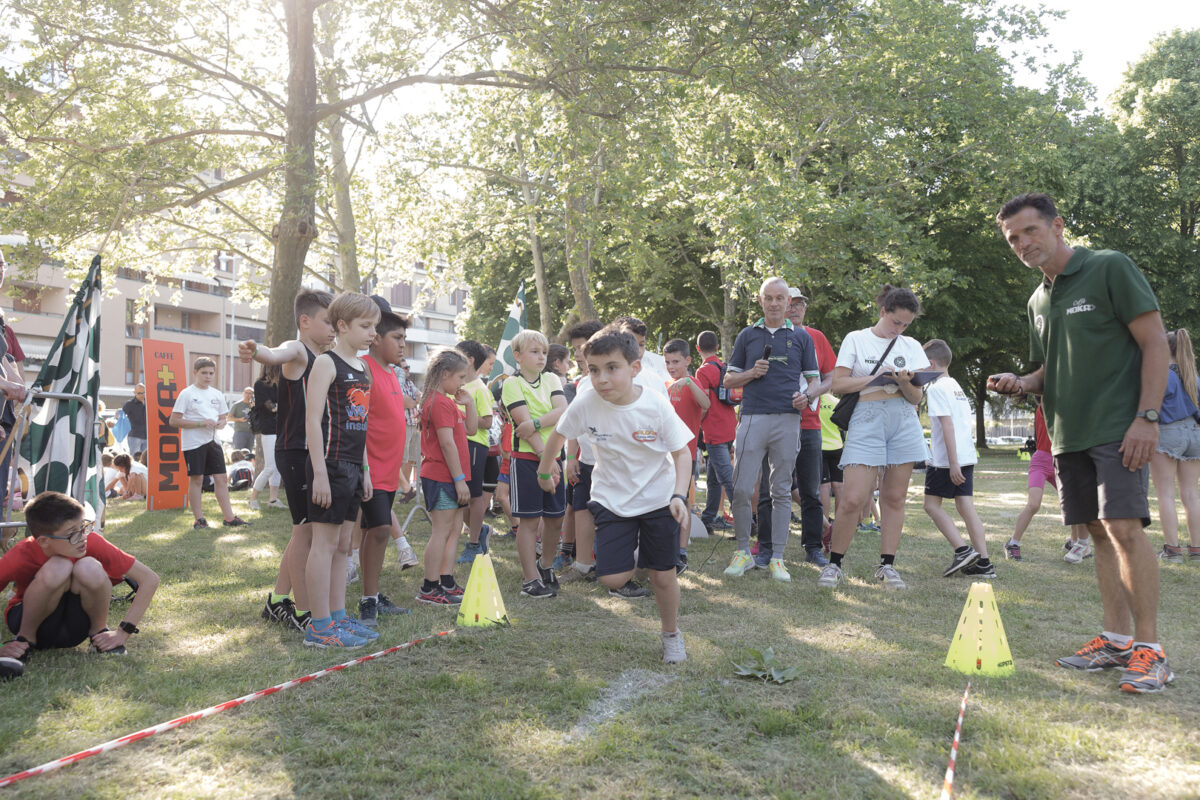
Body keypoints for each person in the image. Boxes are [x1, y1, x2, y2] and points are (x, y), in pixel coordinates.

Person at [989, 191, 1172, 694]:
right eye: (1013, 239)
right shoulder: (1038, 301)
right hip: (1068, 434)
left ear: (1057, 226)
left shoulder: (1110, 267)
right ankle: (1115, 640)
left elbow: (1156, 342)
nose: (1023, 243)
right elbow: (1050, 370)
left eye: (1030, 231)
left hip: (1119, 426)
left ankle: (1151, 651)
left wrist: (1147, 418)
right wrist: (1023, 382)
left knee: (1124, 529)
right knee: (1095, 532)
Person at [538, 327, 692, 663]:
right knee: (611, 578)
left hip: (659, 499)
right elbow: (559, 435)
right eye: (593, 370)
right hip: (612, 501)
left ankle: (671, 635)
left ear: (634, 368)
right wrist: (544, 469)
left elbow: (683, 454)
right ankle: (638, 552)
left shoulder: (655, 405)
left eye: (612, 368)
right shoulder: (587, 401)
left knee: (663, 577)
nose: (601, 378)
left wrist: (679, 496)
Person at [817, 284, 929, 590]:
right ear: (883, 312)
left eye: (906, 325)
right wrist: (876, 379)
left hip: (903, 423)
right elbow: (838, 385)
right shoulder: (857, 339)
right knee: (852, 498)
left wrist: (904, 383)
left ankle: (887, 566)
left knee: (894, 497)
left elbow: (916, 397)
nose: (900, 329)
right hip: (867, 420)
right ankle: (834, 565)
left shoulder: (912, 346)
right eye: (896, 322)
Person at [240, 289, 334, 633]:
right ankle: (304, 610)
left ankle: (278, 600)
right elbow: (275, 352)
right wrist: (256, 351)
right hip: (295, 451)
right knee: (305, 530)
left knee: (303, 531)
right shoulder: (299, 350)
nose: (333, 328)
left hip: (312, 450)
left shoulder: (326, 356)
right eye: (327, 321)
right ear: (305, 321)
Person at [722, 277, 820, 583]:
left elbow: (815, 381)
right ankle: (742, 552)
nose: (775, 303)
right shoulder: (747, 335)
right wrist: (752, 373)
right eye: (769, 298)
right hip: (751, 418)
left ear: (789, 303)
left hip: (788, 419)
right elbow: (727, 381)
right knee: (741, 487)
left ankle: (777, 557)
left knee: (780, 490)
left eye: (781, 298)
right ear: (761, 301)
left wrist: (808, 396)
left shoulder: (802, 337)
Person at [302, 292, 380, 648]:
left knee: (344, 544)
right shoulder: (325, 363)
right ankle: (318, 627)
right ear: (342, 326)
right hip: (329, 465)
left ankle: (337, 617)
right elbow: (313, 421)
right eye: (365, 326)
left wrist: (364, 470)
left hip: (352, 465)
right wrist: (319, 472)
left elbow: (361, 424)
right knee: (325, 543)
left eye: (374, 326)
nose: (372, 334)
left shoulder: (364, 368)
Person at [0, 491, 160, 666]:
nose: (83, 537)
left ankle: (99, 634)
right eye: (72, 534)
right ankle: (24, 641)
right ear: (44, 541)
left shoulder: (89, 540)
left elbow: (149, 579)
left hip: (75, 628)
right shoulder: (22, 552)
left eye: (83, 527)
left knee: (89, 566)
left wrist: (123, 632)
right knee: (59, 567)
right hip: (31, 624)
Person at [754, 288, 835, 568]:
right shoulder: (762, 336)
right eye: (792, 304)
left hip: (809, 425)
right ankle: (765, 548)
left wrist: (811, 395)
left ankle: (813, 546)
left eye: (801, 304)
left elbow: (830, 377)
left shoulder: (817, 338)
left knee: (811, 490)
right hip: (773, 422)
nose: (796, 309)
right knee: (768, 488)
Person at [355, 295, 415, 626]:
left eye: (405, 339)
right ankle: (367, 601)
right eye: (397, 338)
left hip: (389, 471)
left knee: (374, 532)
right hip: (370, 469)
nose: (403, 345)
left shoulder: (392, 373)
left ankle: (372, 595)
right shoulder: (365, 369)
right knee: (378, 529)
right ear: (376, 338)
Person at [501, 329, 568, 599]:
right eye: (534, 352)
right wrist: (546, 459)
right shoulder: (511, 384)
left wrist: (538, 422)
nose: (541, 357)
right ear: (517, 356)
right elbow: (522, 428)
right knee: (529, 520)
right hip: (528, 460)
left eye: (543, 352)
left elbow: (563, 412)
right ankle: (530, 579)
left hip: (554, 457)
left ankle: (546, 566)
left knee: (555, 518)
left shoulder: (552, 378)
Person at [921, 339, 995, 579]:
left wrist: (951, 463)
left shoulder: (935, 388)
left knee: (931, 506)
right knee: (965, 507)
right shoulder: (956, 386)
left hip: (946, 460)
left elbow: (947, 426)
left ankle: (962, 550)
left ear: (931, 363)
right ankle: (984, 563)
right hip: (966, 455)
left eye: (922, 365)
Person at [414, 348, 478, 605]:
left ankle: (446, 580)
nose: (463, 382)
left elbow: (472, 429)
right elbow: (447, 444)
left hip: (452, 476)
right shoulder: (438, 403)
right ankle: (430, 587)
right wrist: (459, 478)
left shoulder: (447, 402)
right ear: (445, 374)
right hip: (442, 476)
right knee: (441, 531)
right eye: (461, 377)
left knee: (454, 529)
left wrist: (470, 403)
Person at [1004, 402, 1091, 562]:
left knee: (1075, 502)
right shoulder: (1046, 403)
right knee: (1034, 504)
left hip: (1062, 460)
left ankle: (1073, 542)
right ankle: (1013, 543)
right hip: (1041, 460)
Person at [169, 357, 248, 530]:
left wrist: (221, 423)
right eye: (204, 373)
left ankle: (229, 518)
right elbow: (173, 421)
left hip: (214, 442)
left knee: (220, 478)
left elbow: (223, 419)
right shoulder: (187, 393)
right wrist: (200, 423)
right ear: (195, 373)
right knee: (197, 479)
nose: (208, 376)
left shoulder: (217, 394)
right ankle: (199, 519)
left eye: (211, 373)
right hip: (193, 443)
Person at [559, 319, 605, 583]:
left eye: (581, 347)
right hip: (586, 461)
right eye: (574, 348)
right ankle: (582, 565)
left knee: (608, 512)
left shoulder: (608, 379)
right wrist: (572, 457)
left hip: (609, 461)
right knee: (581, 510)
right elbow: (573, 424)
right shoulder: (582, 383)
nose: (577, 354)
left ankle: (610, 564)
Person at [1149, 328, 1200, 563]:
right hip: (1194, 433)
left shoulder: (1163, 376)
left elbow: (1151, 409)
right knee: (1191, 495)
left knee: (1166, 494)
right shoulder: (1194, 378)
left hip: (1168, 434)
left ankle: (1172, 550)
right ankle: (1197, 550)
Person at [664, 338, 707, 573]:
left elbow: (707, 403)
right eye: (668, 362)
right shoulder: (664, 383)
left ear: (688, 361)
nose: (672, 366)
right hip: (663, 454)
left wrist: (688, 383)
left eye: (676, 362)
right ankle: (667, 548)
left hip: (686, 454)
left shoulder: (692, 382)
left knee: (684, 501)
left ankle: (681, 553)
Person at [455, 340, 497, 565]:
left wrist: (461, 419)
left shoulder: (479, 388)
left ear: (470, 360)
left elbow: (488, 422)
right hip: (457, 446)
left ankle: (473, 543)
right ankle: (479, 531)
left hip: (474, 446)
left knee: (474, 496)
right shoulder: (456, 385)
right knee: (460, 497)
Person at [694, 331, 737, 535]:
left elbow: (703, 404)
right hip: (728, 426)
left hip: (713, 429)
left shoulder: (702, 372)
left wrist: (696, 424)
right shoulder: (724, 367)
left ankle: (745, 519)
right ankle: (708, 519)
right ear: (718, 347)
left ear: (697, 349)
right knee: (713, 476)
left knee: (726, 477)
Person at [248, 364, 283, 510]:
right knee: (270, 467)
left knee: (277, 467)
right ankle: (252, 499)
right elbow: (270, 407)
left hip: (281, 428)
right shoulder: (260, 385)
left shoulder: (280, 384)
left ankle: (273, 500)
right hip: (269, 429)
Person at [398, 358, 421, 490]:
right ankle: (399, 489)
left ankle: (405, 490)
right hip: (404, 424)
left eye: (408, 367)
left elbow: (419, 396)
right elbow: (406, 402)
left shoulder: (409, 382)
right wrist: (414, 401)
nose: (408, 370)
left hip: (414, 424)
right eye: (405, 367)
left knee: (411, 459)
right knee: (402, 459)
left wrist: (413, 400)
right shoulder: (396, 381)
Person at [122, 384, 149, 455]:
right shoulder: (129, 404)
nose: (142, 395)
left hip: (147, 436)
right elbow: (121, 416)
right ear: (134, 393)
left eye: (144, 392)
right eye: (139, 393)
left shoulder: (149, 403)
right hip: (134, 436)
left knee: (145, 460)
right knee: (134, 459)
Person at [227, 387, 255, 452]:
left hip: (251, 433)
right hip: (240, 432)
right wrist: (239, 419)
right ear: (243, 393)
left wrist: (253, 408)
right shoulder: (237, 405)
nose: (248, 395)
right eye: (246, 393)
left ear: (252, 395)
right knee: (239, 453)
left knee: (248, 454)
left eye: (250, 393)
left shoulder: (254, 405)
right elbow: (229, 418)